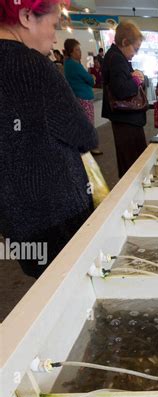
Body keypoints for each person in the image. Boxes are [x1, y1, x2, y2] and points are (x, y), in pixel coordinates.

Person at [0, 0, 98, 279]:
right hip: (60, 213)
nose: (55, 36)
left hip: (15, 220)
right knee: (77, 284)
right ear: (26, 16)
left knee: (45, 287)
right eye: (53, 24)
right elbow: (85, 134)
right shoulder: (34, 67)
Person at [101, 20, 147, 178]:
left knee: (130, 160)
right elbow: (120, 90)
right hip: (126, 119)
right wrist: (136, 80)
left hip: (125, 119)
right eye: (135, 48)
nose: (136, 53)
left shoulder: (114, 56)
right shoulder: (117, 59)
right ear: (125, 42)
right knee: (132, 163)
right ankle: (131, 198)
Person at [63, 38, 102, 155]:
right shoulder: (74, 65)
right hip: (83, 97)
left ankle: (87, 147)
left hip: (79, 96)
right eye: (77, 50)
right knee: (88, 123)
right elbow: (90, 80)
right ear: (70, 52)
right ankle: (91, 147)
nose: (79, 52)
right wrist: (92, 78)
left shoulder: (68, 64)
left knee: (85, 123)